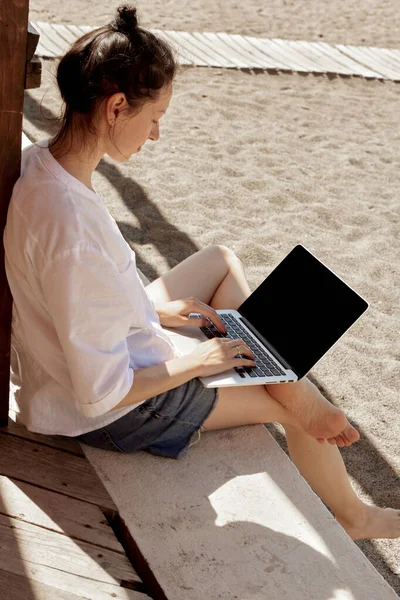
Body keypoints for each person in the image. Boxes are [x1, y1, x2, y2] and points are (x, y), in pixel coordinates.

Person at [4, 5, 399, 542]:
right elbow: (101, 394)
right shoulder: (72, 233)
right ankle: (356, 514)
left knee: (220, 259)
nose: (157, 134)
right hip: (116, 412)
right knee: (297, 412)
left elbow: (80, 299)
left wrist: (154, 311)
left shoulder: (41, 164)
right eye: (155, 116)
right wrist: (200, 361)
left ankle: (281, 373)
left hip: (97, 348)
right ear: (118, 107)